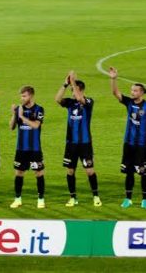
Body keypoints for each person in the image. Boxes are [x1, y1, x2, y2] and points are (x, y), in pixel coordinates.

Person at [109, 67, 146, 209]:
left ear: (141, 92)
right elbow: (115, 93)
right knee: (129, 172)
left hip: (142, 145)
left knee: (143, 172)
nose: (132, 92)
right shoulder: (129, 102)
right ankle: (128, 198)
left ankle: (145, 199)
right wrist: (113, 79)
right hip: (128, 143)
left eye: (135, 90)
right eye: (131, 90)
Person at [55, 71, 101, 208]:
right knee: (70, 171)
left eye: (74, 90)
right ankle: (73, 197)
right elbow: (57, 99)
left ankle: (96, 196)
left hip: (85, 143)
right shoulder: (70, 103)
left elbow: (81, 99)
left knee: (89, 170)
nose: (72, 92)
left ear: (80, 90)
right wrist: (65, 84)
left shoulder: (89, 102)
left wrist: (73, 82)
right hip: (71, 143)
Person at [9, 86, 46, 209]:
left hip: (35, 149)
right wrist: (14, 114)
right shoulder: (19, 109)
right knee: (19, 173)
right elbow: (11, 127)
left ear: (31, 96)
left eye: (24, 96)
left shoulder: (39, 109)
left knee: (38, 173)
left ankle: (41, 199)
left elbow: (36, 125)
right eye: (21, 96)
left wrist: (22, 117)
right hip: (21, 148)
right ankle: (17, 199)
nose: (22, 98)